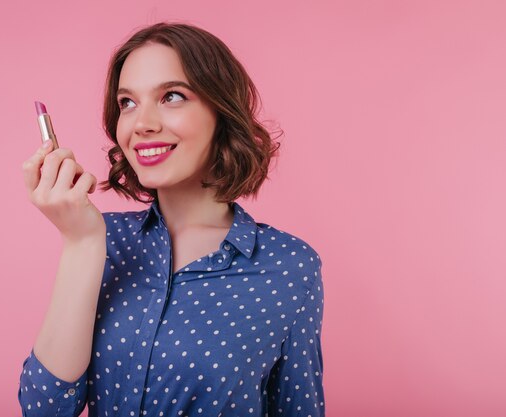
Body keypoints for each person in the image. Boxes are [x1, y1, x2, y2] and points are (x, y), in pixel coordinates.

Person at [18, 21, 325, 417]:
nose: (142, 123)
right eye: (127, 103)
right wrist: (82, 244)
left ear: (222, 111)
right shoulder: (101, 239)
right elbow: (45, 409)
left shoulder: (289, 266)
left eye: (172, 96)